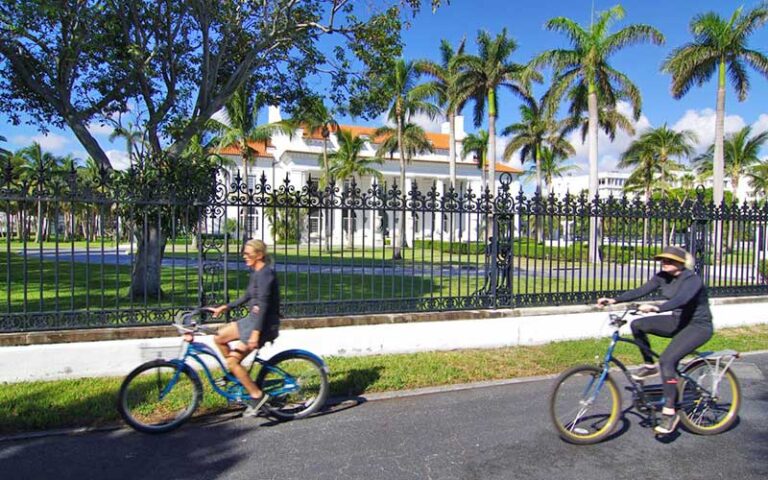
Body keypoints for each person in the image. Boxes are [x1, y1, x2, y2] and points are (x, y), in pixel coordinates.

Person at [596, 246, 713, 435]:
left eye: (669, 260)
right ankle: (649, 365)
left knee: (667, 360)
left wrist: (657, 308)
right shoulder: (662, 277)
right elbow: (641, 290)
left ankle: (669, 412)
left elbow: (682, 299)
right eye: (662, 260)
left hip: (698, 326)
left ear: (681, 263)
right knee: (637, 325)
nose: (664, 263)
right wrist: (614, 300)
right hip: (677, 321)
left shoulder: (692, 279)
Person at [207, 239, 281, 416]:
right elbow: (248, 295)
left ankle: (256, 395)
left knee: (232, 361)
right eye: (244, 253)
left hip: (262, 325)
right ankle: (237, 375)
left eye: (248, 254)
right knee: (219, 337)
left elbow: (263, 305)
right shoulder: (256, 272)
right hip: (252, 320)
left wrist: (255, 334)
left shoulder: (266, 275)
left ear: (259, 255)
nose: (244, 256)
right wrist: (226, 307)